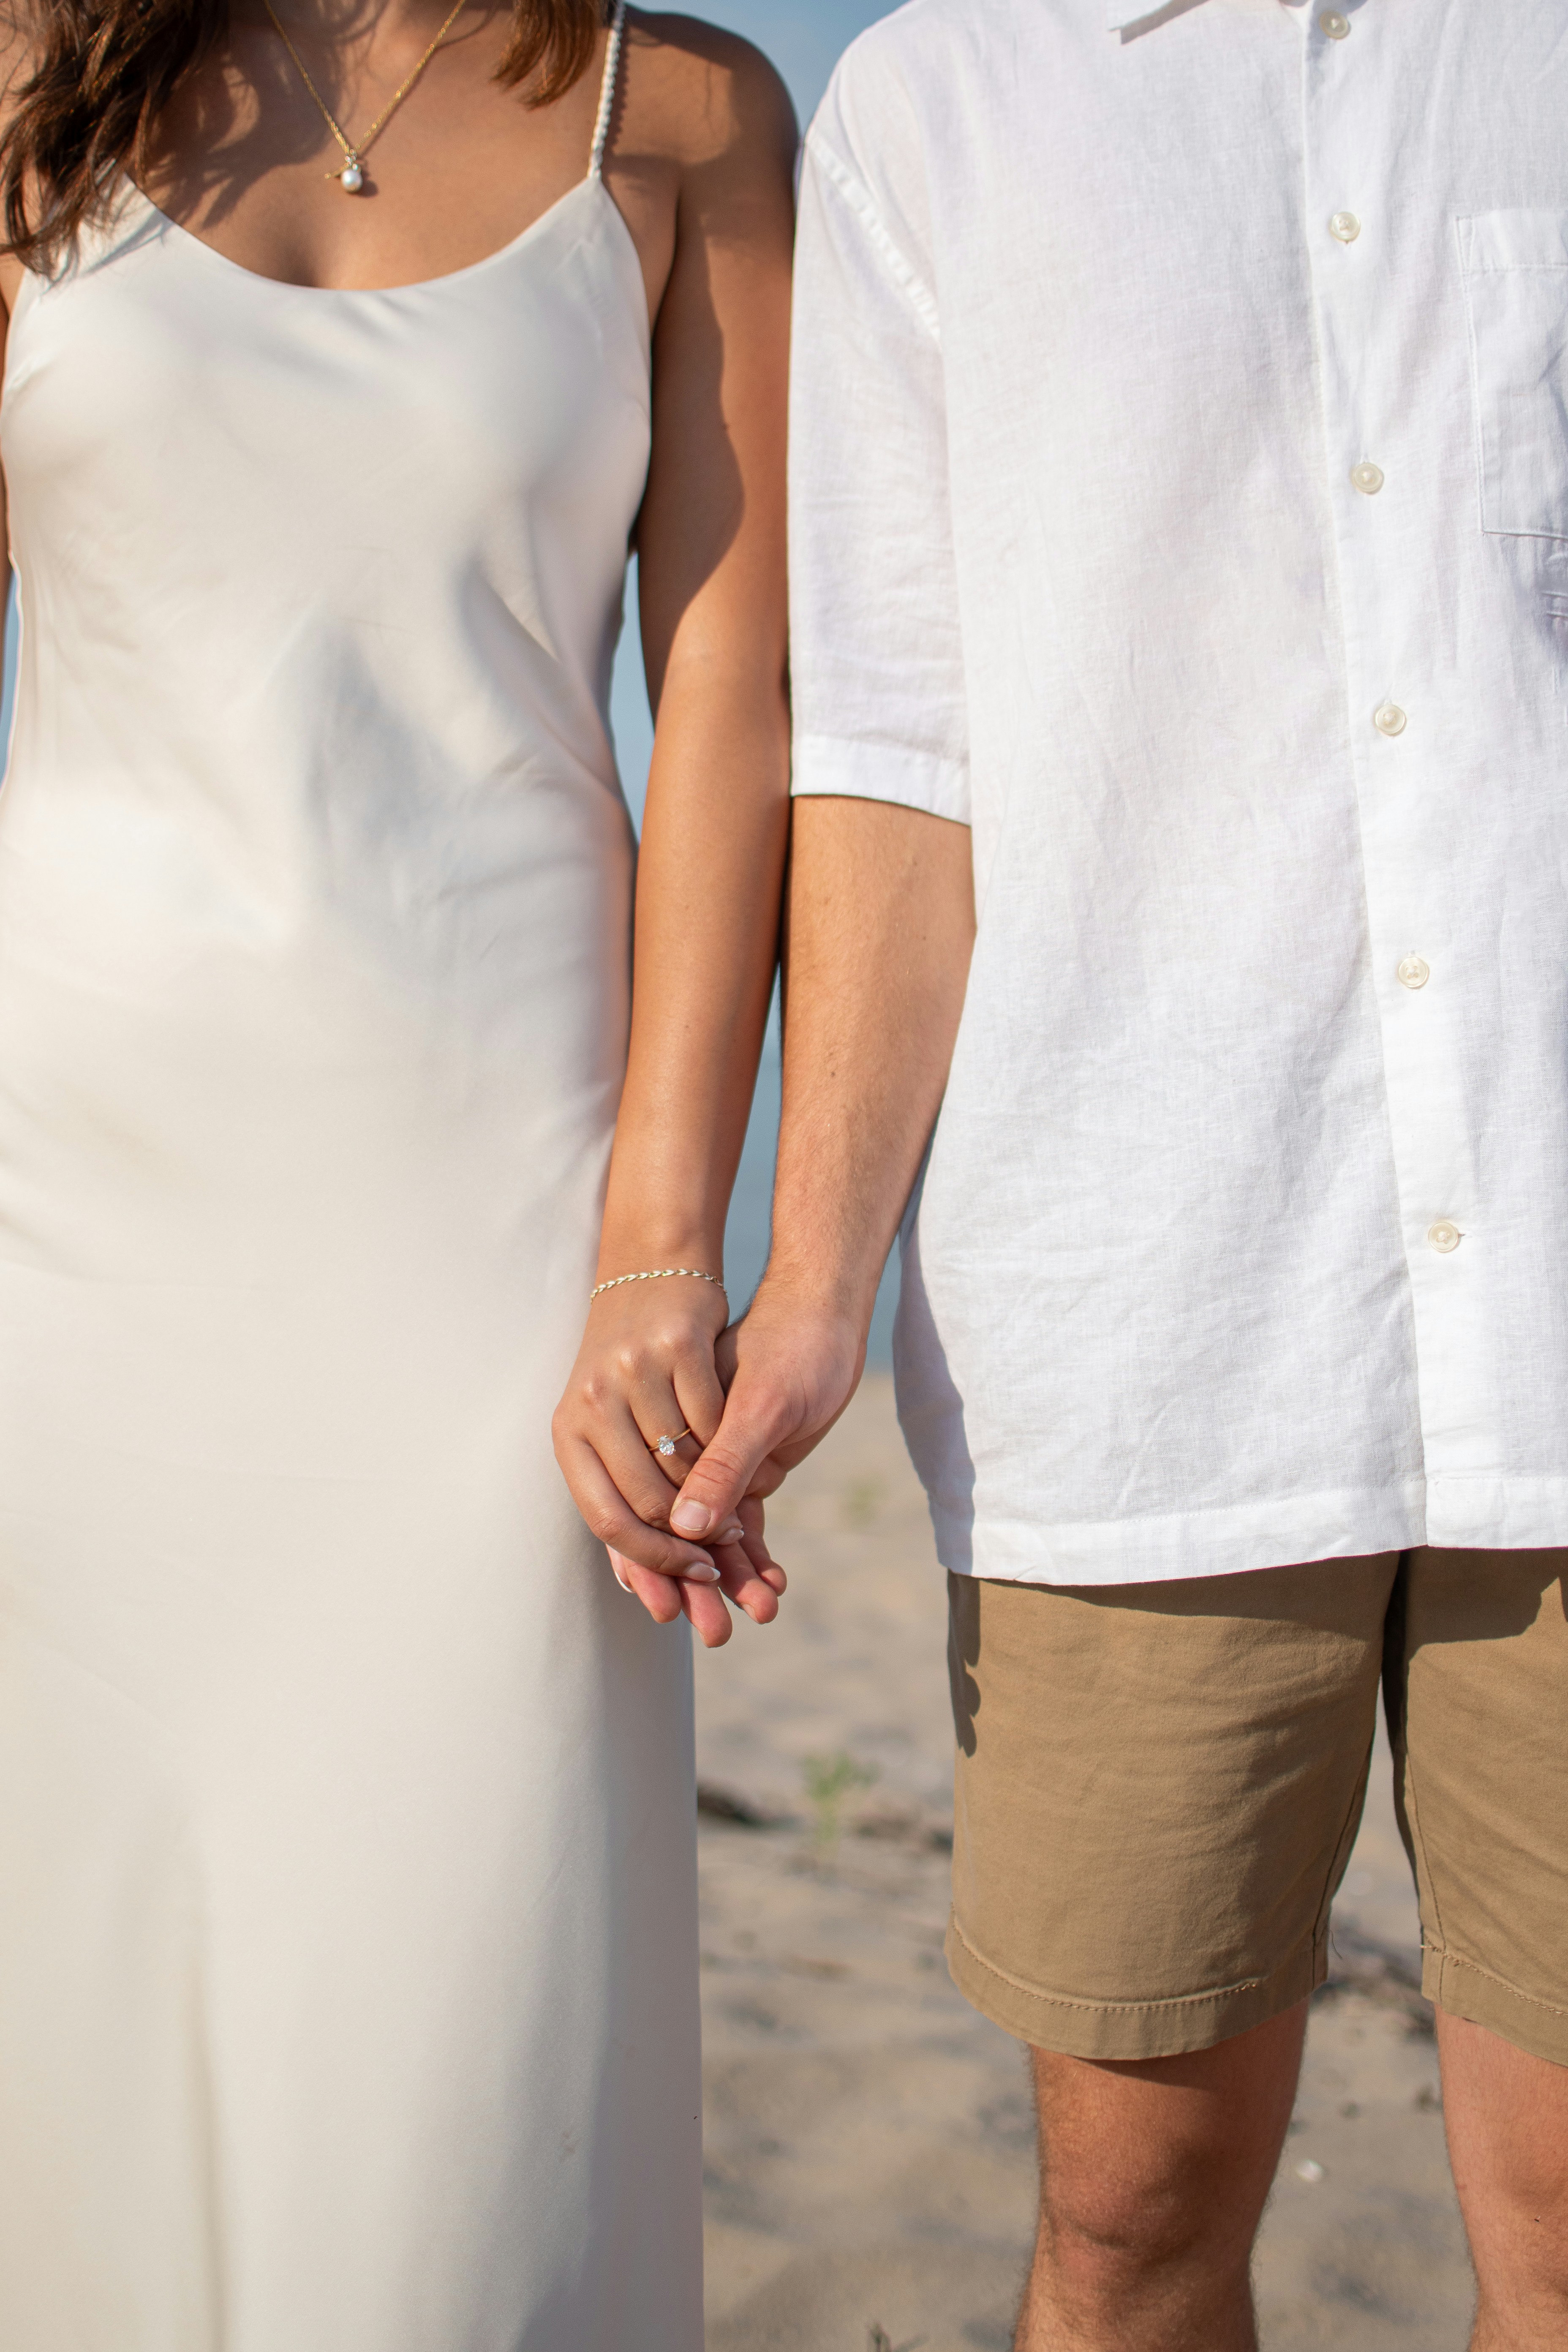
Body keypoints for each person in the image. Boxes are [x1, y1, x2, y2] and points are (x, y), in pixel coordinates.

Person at [598, 2, 1568, 2346]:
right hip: (1144, 1322)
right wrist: (805, 1279)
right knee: (1134, 2219)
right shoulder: (945, 107)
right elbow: (897, 755)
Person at [0, 0, 792, 2340]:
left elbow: (739, 695)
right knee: (91, 2004)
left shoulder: (689, 111)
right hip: (67, 1214)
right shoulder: (32, 72)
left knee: (466, 2039)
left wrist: (667, 1240)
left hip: (503, 1222)